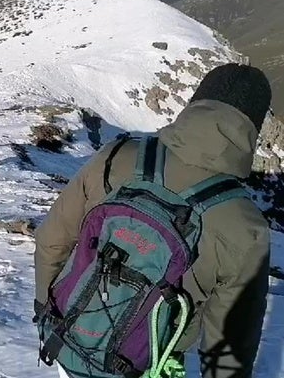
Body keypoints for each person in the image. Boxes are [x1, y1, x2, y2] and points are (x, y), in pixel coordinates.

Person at [34, 63, 272, 378]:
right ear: (252, 130)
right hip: (145, 364)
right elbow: (230, 341)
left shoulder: (116, 156)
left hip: (68, 339)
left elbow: (52, 238)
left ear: (194, 105)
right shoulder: (246, 227)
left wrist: (45, 309)